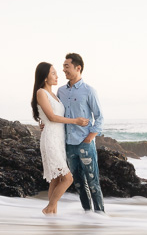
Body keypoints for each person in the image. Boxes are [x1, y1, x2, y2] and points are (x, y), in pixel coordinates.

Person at [30, 62, 90, 215]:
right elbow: (51, 116)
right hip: (50, 139)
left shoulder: (54, 95)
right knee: (67, 178)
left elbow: (50, 117)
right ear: (45, 77)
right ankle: (49, 209)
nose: (57, 76)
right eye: (53, 73)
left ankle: (52, 215)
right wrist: (75, 121)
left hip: (59, 140)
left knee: (56, 180)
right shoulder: (41, 92)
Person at [57, 53, 106, 213]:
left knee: (92, 181)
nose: (64, 69)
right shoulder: (61, 91)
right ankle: (87, 214)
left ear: (78, 68)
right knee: (78, 183)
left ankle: (100, 215)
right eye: (63, 66)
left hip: (85, 143)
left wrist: (90, 137)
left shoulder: (89, 91)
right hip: (69, 145)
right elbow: (57, 115)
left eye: (67, 66)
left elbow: (99, 117)